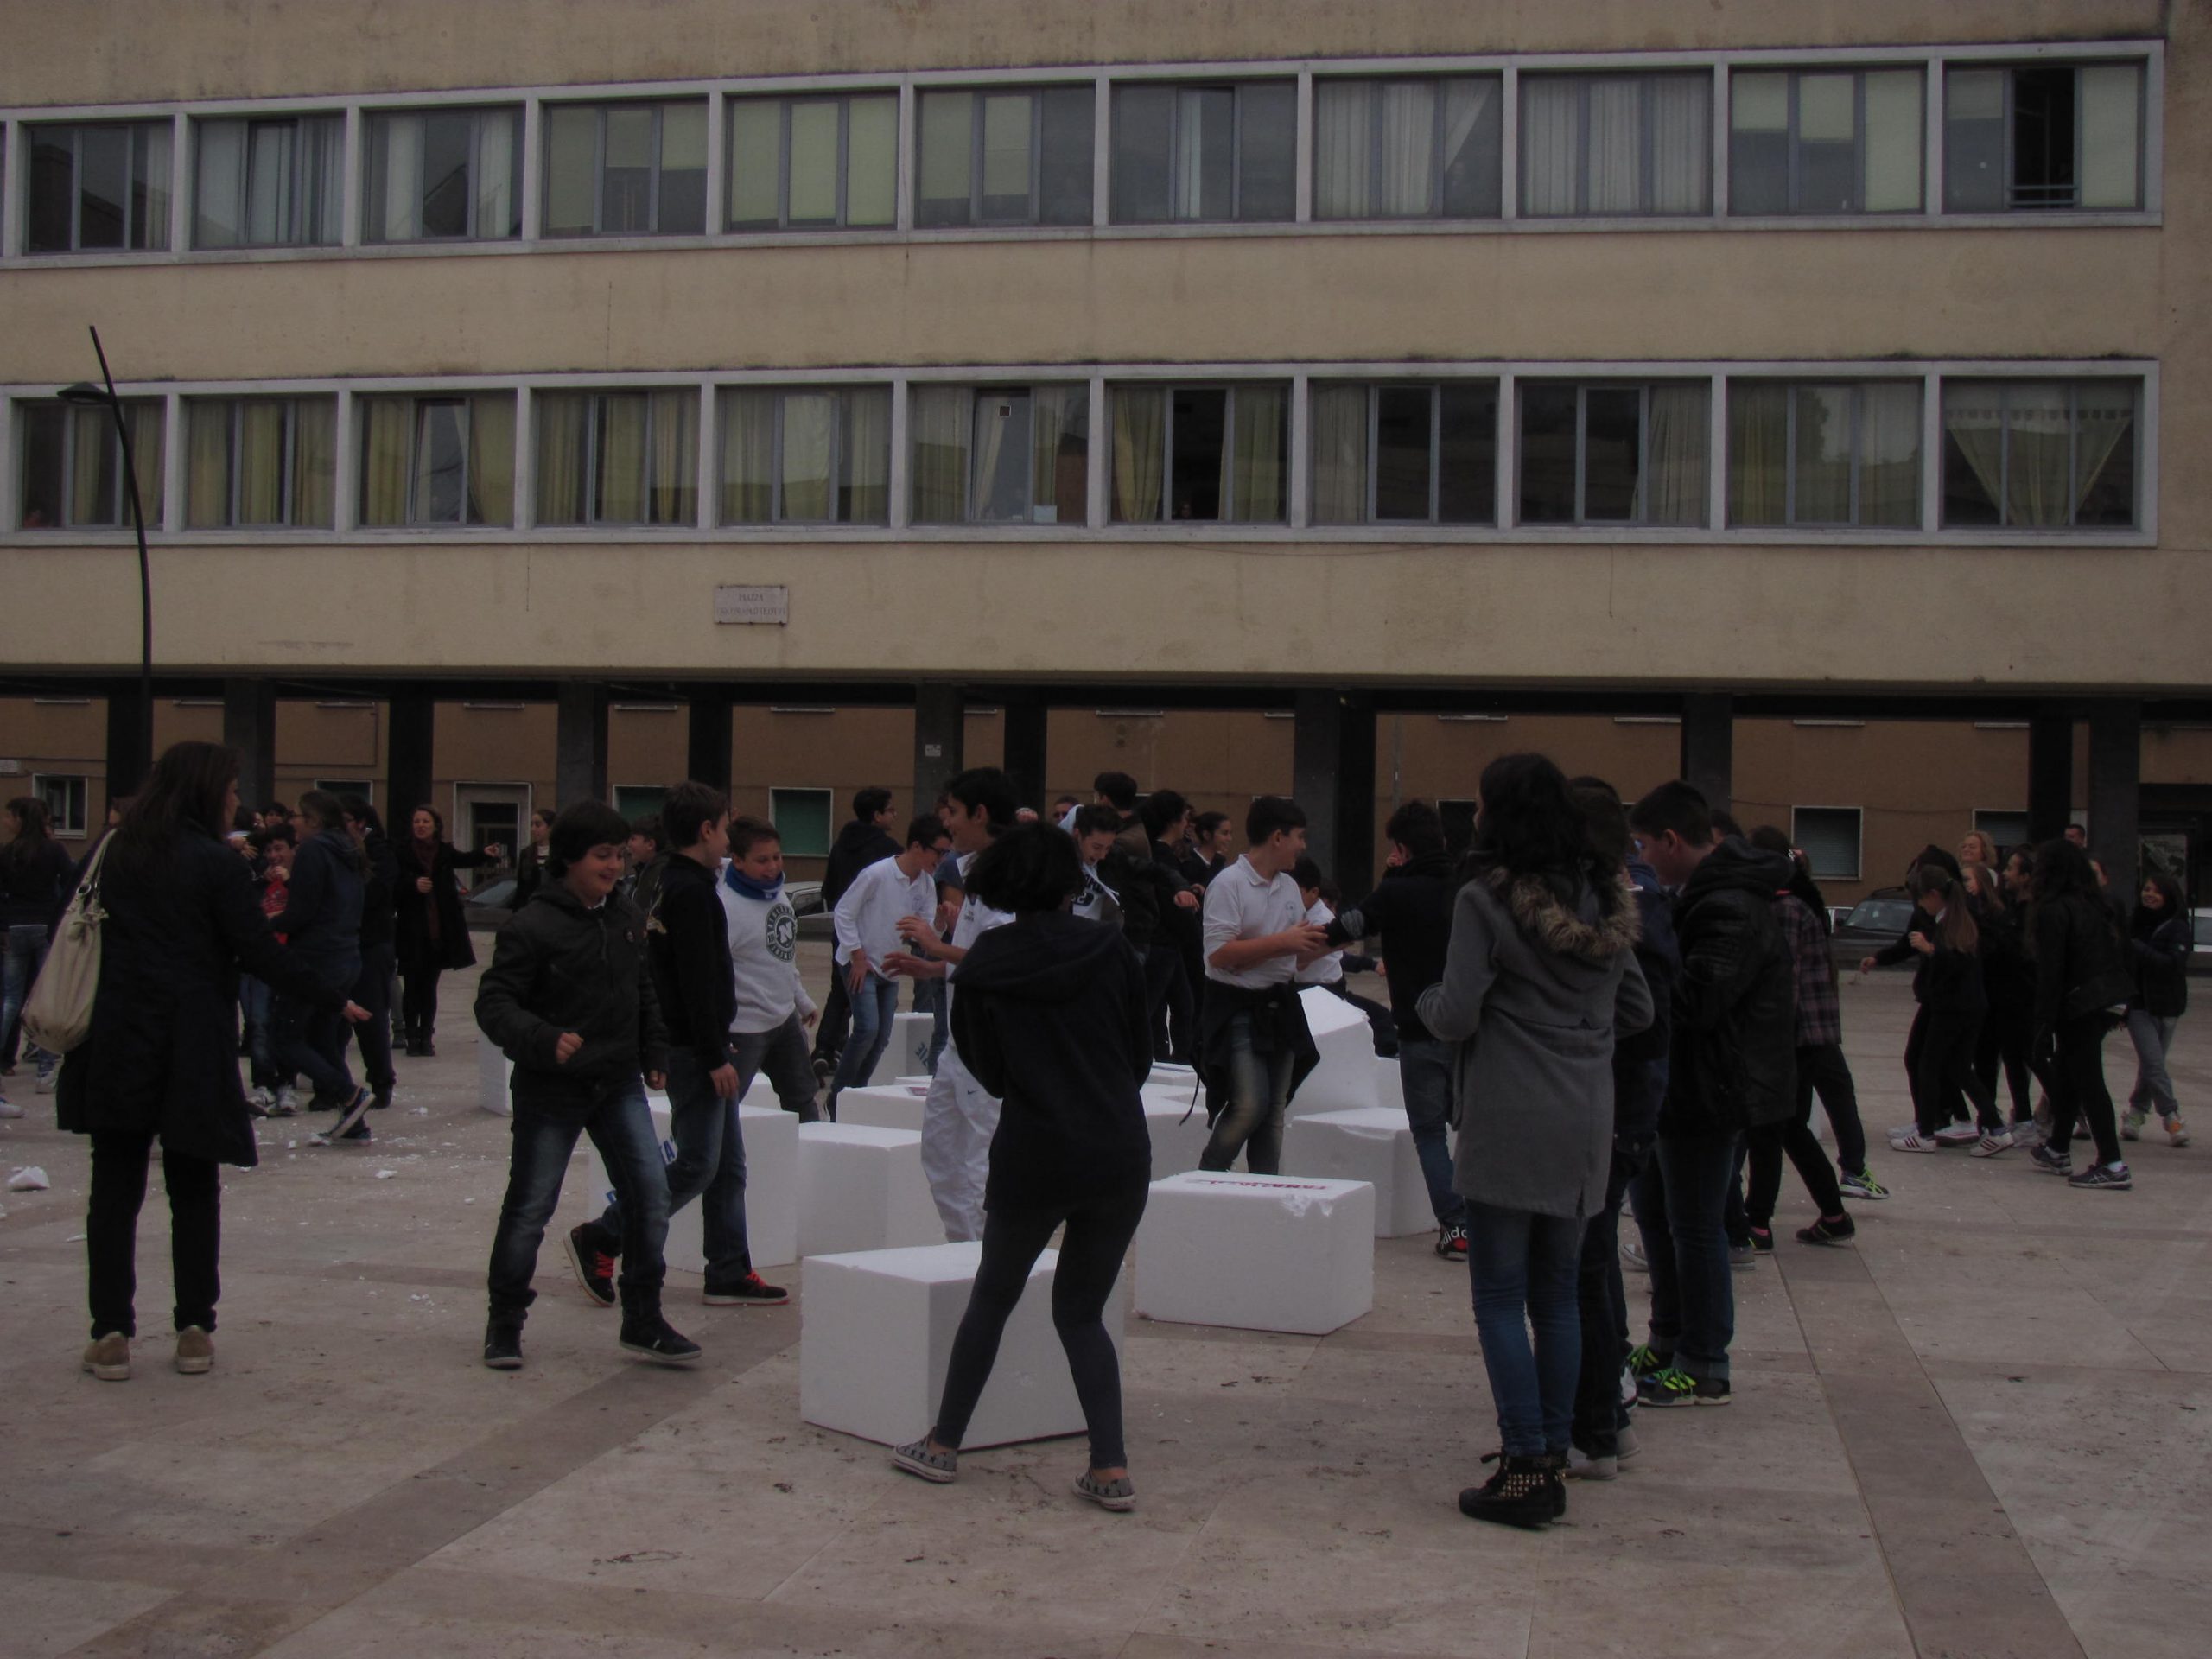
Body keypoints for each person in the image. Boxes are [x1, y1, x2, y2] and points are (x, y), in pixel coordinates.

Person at [56, 741, 367, 1382]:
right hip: (192, 1039)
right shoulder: (214, 864)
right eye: (229, 788)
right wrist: (332, 996)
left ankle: (111, 1332)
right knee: (194, 1183)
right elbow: (256, 950)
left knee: (114, 1187)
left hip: (117, 1035)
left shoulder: (117, 852)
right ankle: (195, 1328)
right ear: (203, 790)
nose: (235, 800)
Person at [890, 823, 1154, 1511]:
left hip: (1035, 1146)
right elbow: (1140, 1052)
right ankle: (1111, 1466)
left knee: (993, 1296)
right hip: (1118, 1148)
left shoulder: (985, 962)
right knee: (1081, 1312)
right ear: (1072, 883)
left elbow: (985, 1066)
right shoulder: (1112, 948)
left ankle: (944, 1445)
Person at [1416, 754, 1650, 1529]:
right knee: (1558, 1298)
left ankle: (1524, 1464)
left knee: (1497, 1297)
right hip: (1587, 1114)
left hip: (1509, 1112)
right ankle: (1553, 1448)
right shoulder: (1609, 898)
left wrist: (1422, 1001)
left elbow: (1455, 1013)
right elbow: (1639, 1009)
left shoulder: (1486, 900)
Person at [474, 799, 696, 1370]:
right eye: (602, 855)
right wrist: (541, 1036)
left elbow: (641, 988)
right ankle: (505, 1323)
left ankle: (643, 1318)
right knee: (530, 1205)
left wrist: (653, 1049)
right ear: (569, 859)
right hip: (552, 1088)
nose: (614, 865)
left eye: (620, 855)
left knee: (651, 1196)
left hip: (618, 1080)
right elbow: (494, 1002)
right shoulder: (531, 924)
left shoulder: (624, 916)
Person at [565, 784, 790, 1312]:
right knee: (697, 1165)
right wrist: (714, 1055)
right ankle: (605, 1233)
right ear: (707, 831)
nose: (731, 834)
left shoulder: (670, 879)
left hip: (694, 1043)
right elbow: (696, 982)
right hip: (697, 1049)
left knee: (727, 1167)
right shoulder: (690, 892)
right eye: (726, 824)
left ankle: (729, 1269)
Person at [1626, 781, 1796, 1408]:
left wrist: (1644, 943)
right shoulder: (1697, 896)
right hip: (1676, 1085)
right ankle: (1668, 1337)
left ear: (1671, 841)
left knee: (1695, 1229)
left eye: (1642, 844)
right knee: (1658, 1218)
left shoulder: (1727, 904)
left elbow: (1698, 1000)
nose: (1639, 857)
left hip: (1710, 1088)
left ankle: (1705, 1361)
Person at [1566, 777, 1675, 1481]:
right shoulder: (1636, 894)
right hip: (1629, 1098)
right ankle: (1612, 1413)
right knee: (1592, 1258)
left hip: (1617, 1101)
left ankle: (1600, 1421)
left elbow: (1639, 1009)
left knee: (1585, 1264)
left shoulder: (1617, 903)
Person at [1325, 800, 1465, 1255]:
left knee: (1429, 1133)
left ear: (1401, 849)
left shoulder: (1397, 892)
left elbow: (1341, 929)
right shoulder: (1469, 887)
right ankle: (1488, 1221)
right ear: (1442, 841)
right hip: (1472, 1030)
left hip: (1419, 1027)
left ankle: (1455, 1226)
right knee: (1472, 1128)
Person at [886, 767, 1020, 1241]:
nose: (950, 826)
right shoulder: (971, 870)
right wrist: (930, 966)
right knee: (940, 1153)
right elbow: (975, 956)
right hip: (959, 1043)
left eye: (955, 815)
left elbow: (1003, 957)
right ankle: (964, 1249)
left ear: (980, 814)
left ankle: (988, 1258)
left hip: (991, 1049)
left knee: (981, 1161)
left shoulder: (1009, 875)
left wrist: (934, 944)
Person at [1194, 797, 1327, 1175]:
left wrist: (1330, 942)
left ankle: (1266, 1191)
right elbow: (1218, 954)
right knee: (1249, 1104)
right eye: (1299, 837)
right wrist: (1282, 944)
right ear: (1277, 837)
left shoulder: (1288, 888)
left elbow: (1294, 955)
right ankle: (1207, 1176)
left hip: (1280, 1004)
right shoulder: (1229, 884)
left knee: (1273, 1110)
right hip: (1236, 1007)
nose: (1302, 846)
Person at [1738, 827, 1855, 1242]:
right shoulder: (1797, 905)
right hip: (1802, 1037)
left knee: (1769, 1128)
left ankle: (1757, 1222)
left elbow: (1782, 984)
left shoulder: (1784, 910)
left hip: (1792, 1039)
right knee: (1786, 1128)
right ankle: (1833, 1216)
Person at [2026, 837, 2137, 1189]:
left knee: (2088, 1080)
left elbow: (2052, 972)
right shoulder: (2094, 903)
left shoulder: (2053, 909)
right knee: (2071, 1072)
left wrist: (2043, 1022)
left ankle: (2112, 1163)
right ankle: (2059, 1147)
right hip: (2107, 996)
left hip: (2081, 1003)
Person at [1868, 865, 2001, 1154]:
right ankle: (1997, 1128)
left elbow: (1962, 962)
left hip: (1954, 1004)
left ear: (1933, 895)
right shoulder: (1954, 916)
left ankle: (1927, 1132)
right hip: (1964, 1004)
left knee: (1929, 1064)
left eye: (1921, 899)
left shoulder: (1953, 921)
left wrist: (1931, 950)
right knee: (1958, 1067)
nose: (1919, 906)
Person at [268, 791, 375, 1143]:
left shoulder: (315, 851)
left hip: (315, 959)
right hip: (346, 955)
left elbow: (302, 912)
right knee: (323, 1039)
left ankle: (350, 1094)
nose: (292, 821)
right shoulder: (349, 850)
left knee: (284, 1038)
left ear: (313, 820)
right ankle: (354, 1120)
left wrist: (267, 922)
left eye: (297, 815)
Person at [825, 816, 949, 1116]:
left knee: (882, 1037)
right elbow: (843, 912)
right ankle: (839, 1094)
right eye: (938, 852)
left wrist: (941, 924)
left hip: (890, 966)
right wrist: (856, 955)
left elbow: (926, 932)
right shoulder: (877, 874)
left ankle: (858, 1091)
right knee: (867, 1027)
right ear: (918, 846)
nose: (941, 859)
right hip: (861, 961)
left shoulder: (926, 884)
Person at [716, 816, 823, 1122]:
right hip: (744, 1028)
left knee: (803, 1099)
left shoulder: (779, 895)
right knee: (724, 1109)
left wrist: (800, 998)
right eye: (762, 860)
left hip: (784, 1018)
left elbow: (782, 955)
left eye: (776, 857)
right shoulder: (725, 907)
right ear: (737, 860)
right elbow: (713, 974)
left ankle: (809, 1161)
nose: (773, 867)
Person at [393, 805, 500, 1057]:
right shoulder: (401, 852)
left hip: (438, 931)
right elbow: (391, 884)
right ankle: (411, 1035)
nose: (420, 825)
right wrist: (412, 885)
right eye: (417, 821)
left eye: (425, 821)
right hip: (412, 929)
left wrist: (484, 854)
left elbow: (464, 859)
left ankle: (426, 1036)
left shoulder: (443, 851)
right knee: (411, 986)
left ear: (435, 826)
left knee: (430, 986)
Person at [812, 788, 900, 1084]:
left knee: (841, 990)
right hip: (867, 936)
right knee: (867, 1016)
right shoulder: (887, 851)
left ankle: (825, 1047)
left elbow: (830, 887)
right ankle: (845, 1075)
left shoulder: (842, 843)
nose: (894, 815)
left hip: (843, 930)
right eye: (890, 810)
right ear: (877, 816)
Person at [1, 795, 75, 1097]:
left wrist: (3, 926)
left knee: (10, 997)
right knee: (45, 997)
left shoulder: (7, 853)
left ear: (20, 819)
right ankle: (46, 1070)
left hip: (15, 927)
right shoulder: (54, 850)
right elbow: (71, 881)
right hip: (45, 924)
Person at [2122, 869, 2191, 1147]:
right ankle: (2171, 1116)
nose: (2149, 895)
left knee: (2153, 1067)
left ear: (2168, 896)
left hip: (2168, 1005)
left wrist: (2140, 949)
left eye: (2156, 891)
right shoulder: (2133, 923)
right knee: (2153, 1063)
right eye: (2146, 889)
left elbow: (2173, 964)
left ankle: (2136, 1113)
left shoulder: (2177, 927)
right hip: (2140, 1005)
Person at [340, 797, 400, 1113]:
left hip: (371, 944)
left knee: (370, 1014)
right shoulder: (338, 851)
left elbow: (377, 893)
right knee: (333, 1017)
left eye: (347, 819)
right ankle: (333, 1082)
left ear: (362, 822)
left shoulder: (378, 852)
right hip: (344, 943)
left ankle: (381, 1081)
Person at [512, 807, 554, 910]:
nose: (533, 829)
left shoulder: (559, 853)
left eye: (538, 825)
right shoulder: (526, 854)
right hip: (530, 909)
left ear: (550, 828)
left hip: (552, 910)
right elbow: (521, 888)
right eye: (532, 825)